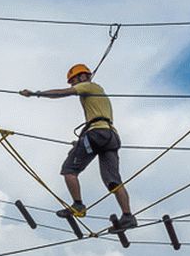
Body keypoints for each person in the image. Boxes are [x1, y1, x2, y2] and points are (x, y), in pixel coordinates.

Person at [20, 64, 137, 231]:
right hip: (110, 136)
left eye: (74, 81)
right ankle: (128, 216)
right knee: (113, 181)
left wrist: (35, 94)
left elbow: (62, 93)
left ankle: (78, 205)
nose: (73, 85)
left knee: (69, 171)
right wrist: (82, 141)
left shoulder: (88, 86)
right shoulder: (97, 94)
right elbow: (95, 122)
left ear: (83, 77)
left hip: (97, 134)